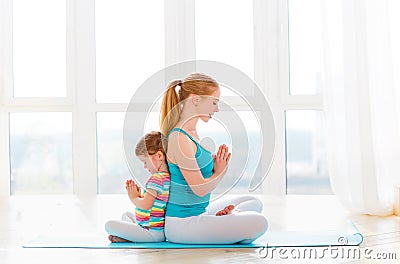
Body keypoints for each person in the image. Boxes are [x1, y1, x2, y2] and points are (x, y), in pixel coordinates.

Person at [160, 73, 268, 244]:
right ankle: (228, 223)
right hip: (183, 225)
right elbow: (200, 190)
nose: (216, 109)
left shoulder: (192, 133)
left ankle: (226, 221)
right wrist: (220, 171)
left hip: (200, 212)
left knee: (254, 202)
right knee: (260, 222)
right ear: (195, 99)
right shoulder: (179, 138)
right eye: (214, 102)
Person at [105, 131, 170, 243]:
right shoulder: (165, 177)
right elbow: (152, 204)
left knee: (109, 225)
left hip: (150, 232)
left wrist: (134, 197)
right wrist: (141, 196)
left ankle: (128, 237)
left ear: (159, 156)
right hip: (150, 227)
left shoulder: (157, 179)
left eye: (145, 161)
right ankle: (128, 236)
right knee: (127, 215)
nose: (145, 166)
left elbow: (145, 205)